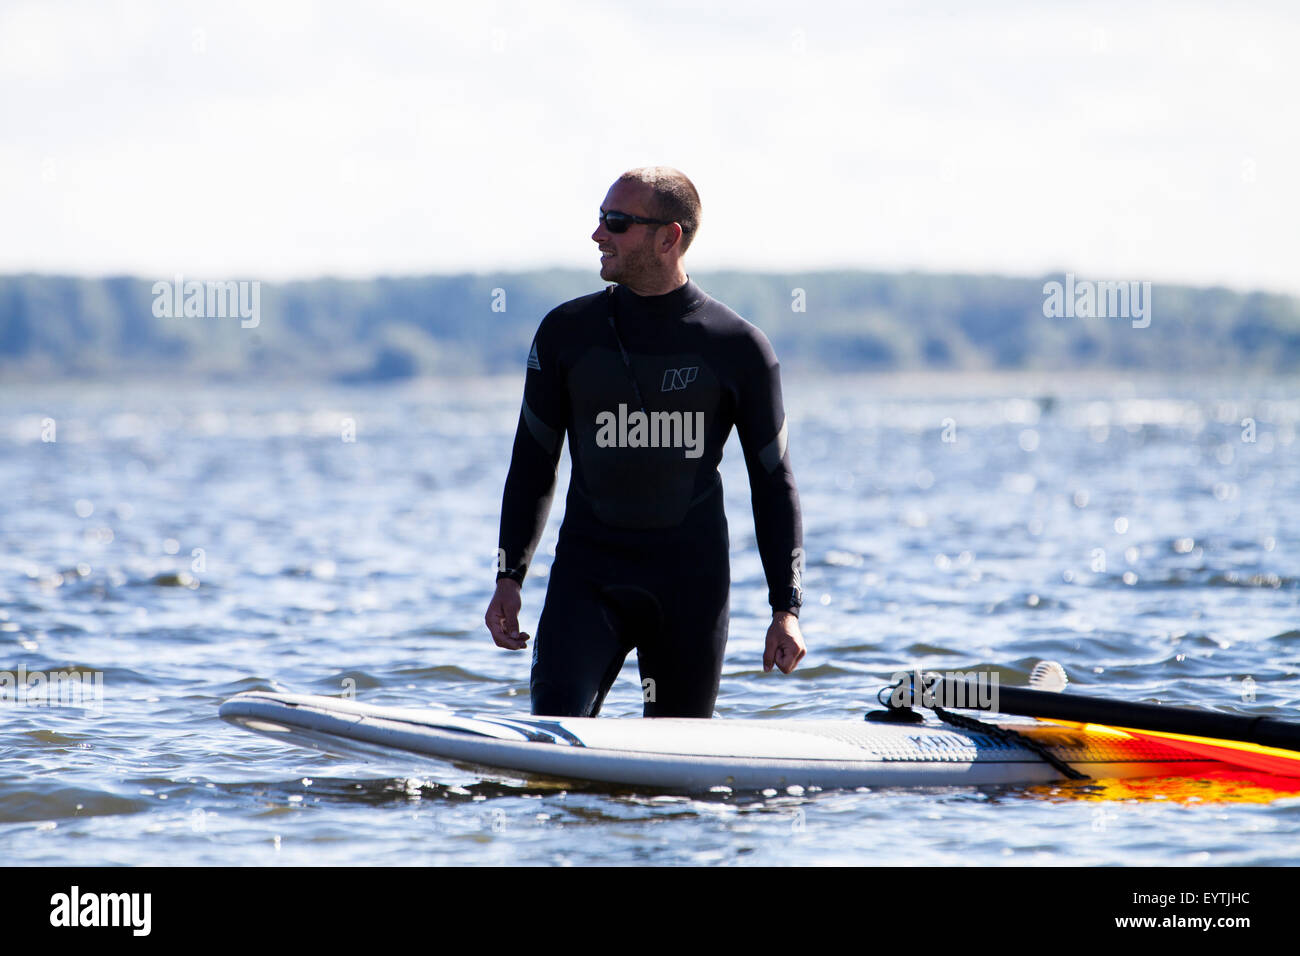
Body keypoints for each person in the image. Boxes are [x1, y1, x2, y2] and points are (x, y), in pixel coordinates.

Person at [484, 166, 805, 718]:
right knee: (557, 742)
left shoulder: (738, 347)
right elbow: (533, 462)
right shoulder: (567, 334)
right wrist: (509, 576)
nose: (598, 235)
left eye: (616, 222)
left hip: (690, 588)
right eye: (601, 219)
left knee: (675, 782)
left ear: (668, 237)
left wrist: (786, 608)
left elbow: (773, 482)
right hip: (588, 581)